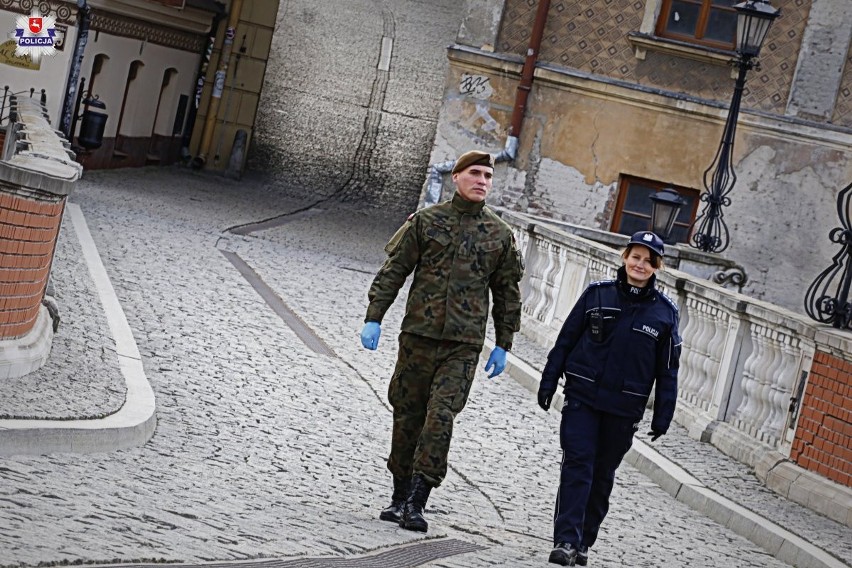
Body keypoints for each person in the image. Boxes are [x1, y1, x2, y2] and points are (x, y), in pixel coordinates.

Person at [360, 150, 524, 533]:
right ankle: (399, 494)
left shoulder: (499, 234)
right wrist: (374, 317)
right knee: (407, 415)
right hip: (418, 337)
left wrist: (504, 342)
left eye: (488, 175)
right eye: (475, 174)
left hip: (462, 346)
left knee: (440, 417)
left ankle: (418, 500)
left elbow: (507, 293)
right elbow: (395, 270)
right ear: (457, 178)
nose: (482, 181)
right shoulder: (426, 222)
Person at [537, 231, 681, 566]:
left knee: (602, 473)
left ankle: (585, 540)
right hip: (582, 397)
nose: (640, 265)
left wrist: (663, 415)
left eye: (648, 261)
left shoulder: (664, 314)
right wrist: (548, 381)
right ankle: (566, 540)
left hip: (623, 407)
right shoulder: (596, 295)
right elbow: (566, 340)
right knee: (578, 463)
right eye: (635, 257)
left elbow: (668, 370)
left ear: (656, 267)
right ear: (625, 257)